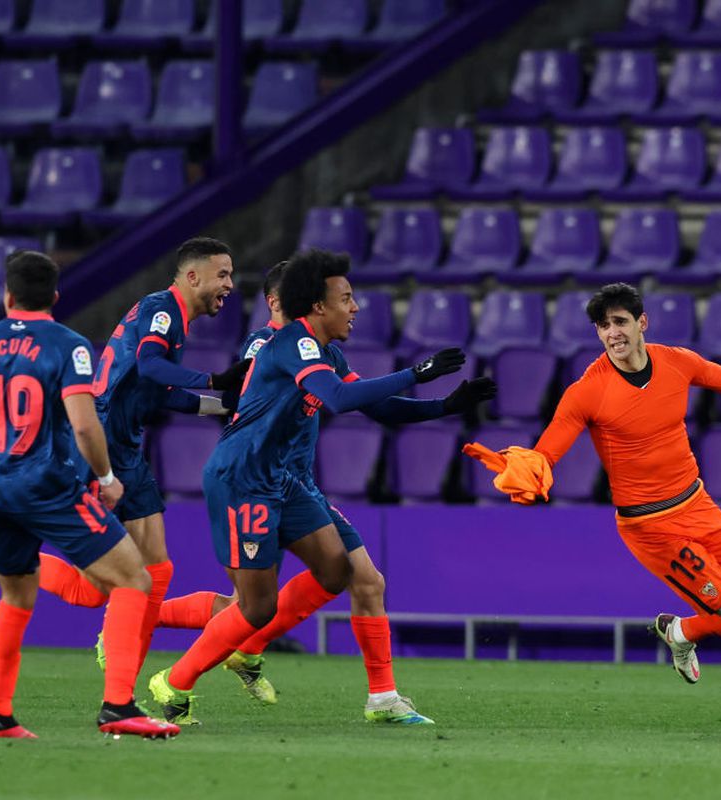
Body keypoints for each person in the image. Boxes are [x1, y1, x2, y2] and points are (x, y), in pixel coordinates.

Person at [464, 282, 721, 734]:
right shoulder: (587, 392)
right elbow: (550, 447)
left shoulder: (676, 362)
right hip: (651, 528)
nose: (612, 333)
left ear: (641, 322)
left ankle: (682, 632)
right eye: (603, 326)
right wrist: (529, 465)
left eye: (620, 322)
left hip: (699, 505)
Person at [153, 260, 496, 724]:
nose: (355, 308)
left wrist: (445, 405)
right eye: (346, 299)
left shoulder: (327, 354)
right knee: (254, 607)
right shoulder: (291, 342)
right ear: (317, 305)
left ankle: (379, 698)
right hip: (244, 478)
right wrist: (417, 372)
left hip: (285, 481)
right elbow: (337, 399)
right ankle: (174, 681)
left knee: (340, 572)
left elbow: (375, 405)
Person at [0, 238, 250, 676]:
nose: (229, 284)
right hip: (104, 443)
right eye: (223, 274)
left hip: (125, 443)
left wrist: (221, 405)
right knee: (114, 582)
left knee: (144, 571)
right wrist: (214, 378)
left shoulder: (172, 317)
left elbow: (156, 391)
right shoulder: (162, 310)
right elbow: (152, 366)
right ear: (193, 277)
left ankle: (122, 653)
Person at [0, 250, 178, 739]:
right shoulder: (69, 346)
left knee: (17, 595)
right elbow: (82, 423)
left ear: (7, 296)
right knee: (134, 580)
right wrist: (105, 478)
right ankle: (118, 707)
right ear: (55, 296)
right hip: (46, 484)